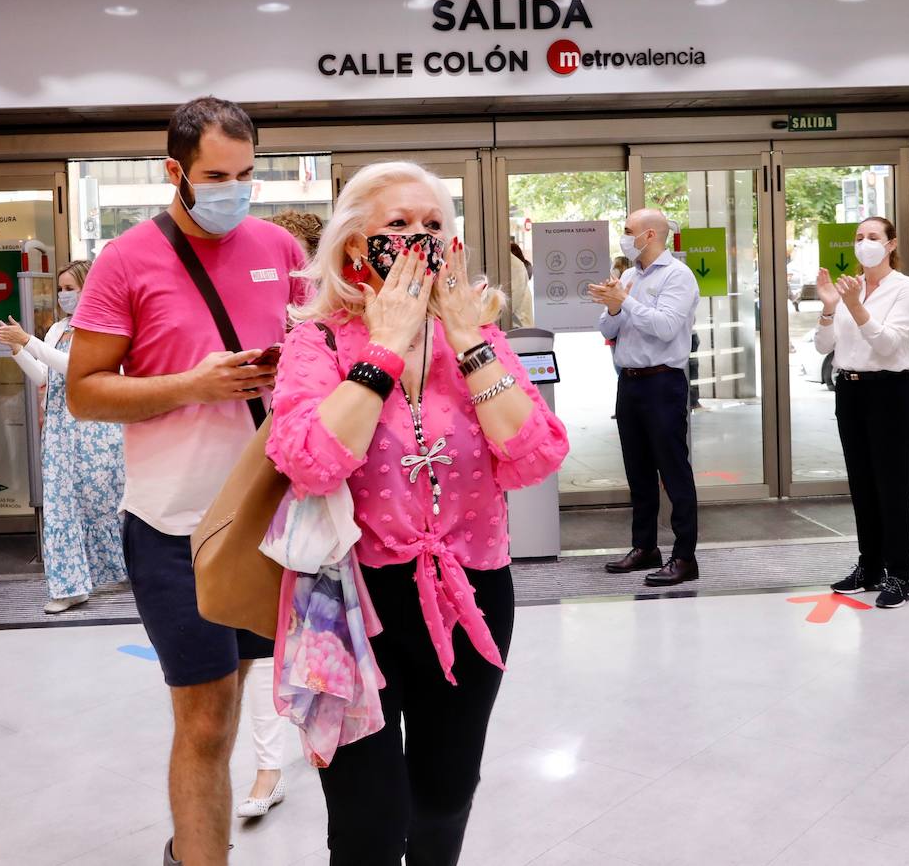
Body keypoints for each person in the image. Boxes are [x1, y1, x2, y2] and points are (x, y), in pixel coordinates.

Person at [267, 160, 568, 865]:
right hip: (348, 604)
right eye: (397, 225)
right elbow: (310, 459)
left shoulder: (478, 337)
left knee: (443, 798)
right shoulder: (318, 341)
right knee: (368, 818)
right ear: (352, 248)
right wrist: (382, 350)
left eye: (433, 226)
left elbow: (532, 456)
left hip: (472, 594)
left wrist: (468, 342)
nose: (417, 239)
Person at [67, 96, 305, 866]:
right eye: (215, 175)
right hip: (175, 527)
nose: (232, 189)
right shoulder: (126, 259)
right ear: (173, 171)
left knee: (264, 701)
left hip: (276, 520)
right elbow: (84, 390)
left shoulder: (278, 247)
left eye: (245, 174)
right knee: (204, 717)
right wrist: (190, 385)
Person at [232, 207, 325, 820]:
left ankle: (312, 751)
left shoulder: (333, 328)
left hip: (318, 499)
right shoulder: (255, 317)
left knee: (317, 631)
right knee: (258, 636)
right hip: (260, 485)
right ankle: (268, 767)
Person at [0, 261, 126, 615]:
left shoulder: (105, 326)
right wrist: (17, 350)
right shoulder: (58, 328)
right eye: (61, 288)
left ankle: (112, 571)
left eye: (70, 287)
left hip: (97, 430)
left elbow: (74, 366)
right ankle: (69, 586)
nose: (63, 295)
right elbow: (44, 373)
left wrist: (27, 340)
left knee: (102, 504)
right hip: (61, 430)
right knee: (61, 509)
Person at [815, 216, 909, 609]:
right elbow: (823, 345)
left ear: (891, 244)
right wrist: (830, 308)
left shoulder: (905, 288)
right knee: (861, 482)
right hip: (850, 388)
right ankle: (869, 566)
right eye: (859, 237)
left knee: (890, 486)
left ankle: (899, 574)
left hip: (888, 390)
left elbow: (890, 344)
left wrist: (857, 307)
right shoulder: (849, 287)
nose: (865, 243)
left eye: (873, 237)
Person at [590, 209, 701, 587]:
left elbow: (667, 328)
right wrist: (613, 303)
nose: (623, 237)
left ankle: (685, 556)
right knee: (637, 470)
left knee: (673, 470)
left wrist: (628, 301)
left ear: (649, 234)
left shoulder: (678, 276)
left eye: (627, 231)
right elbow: (608, 328)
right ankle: (645, 547)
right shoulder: (629, 275)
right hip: (630, 381)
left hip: (663, 382)